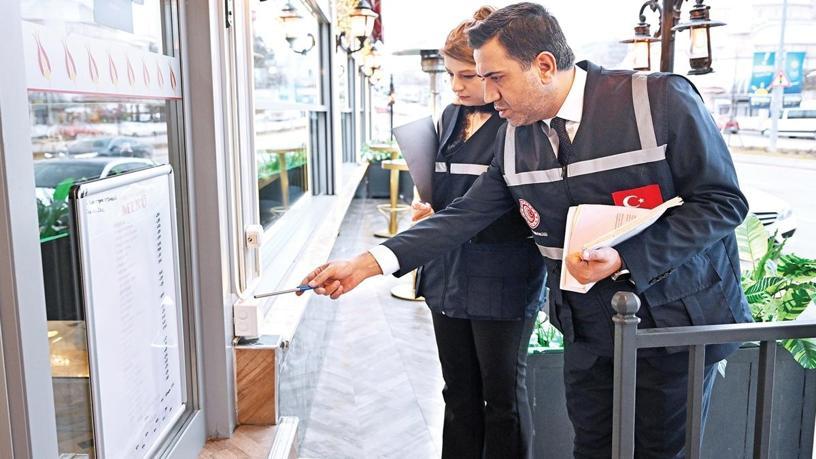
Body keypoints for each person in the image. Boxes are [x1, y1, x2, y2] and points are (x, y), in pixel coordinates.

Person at [301, 3, 751, 457]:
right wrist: (366, 264)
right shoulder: (515, 136)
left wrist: (626, 257)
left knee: (659, 452)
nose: (488, 94)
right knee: (592, 449)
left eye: (496, 78)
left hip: (673, 327)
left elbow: (722, 202)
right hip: (587, 328)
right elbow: (463, 215)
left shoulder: (659, 99)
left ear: (544, 66)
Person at [408, 6, 546, 458]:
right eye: (451, 75)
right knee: (457, 392)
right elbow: (446, 194)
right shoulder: (450, 118)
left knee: (502, 400)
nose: (457, 86)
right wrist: (428, 210)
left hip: (503, 277)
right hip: (445, 272)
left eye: (467, 75)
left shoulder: (520, 122)